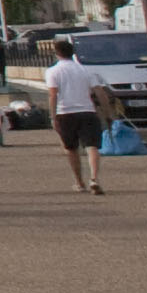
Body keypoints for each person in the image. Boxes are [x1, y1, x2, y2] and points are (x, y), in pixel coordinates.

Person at [44, 37, 105, 195]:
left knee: (71, 148)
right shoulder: (86, 70)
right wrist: (107, 112)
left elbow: (53, 94)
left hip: (65, 112)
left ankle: (79, 182)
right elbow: (99, 92)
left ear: (56, 53)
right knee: (92, 146)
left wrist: (52, 116)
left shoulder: (52, 71)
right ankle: (94, 178)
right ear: (72, 53)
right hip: (88, 111)